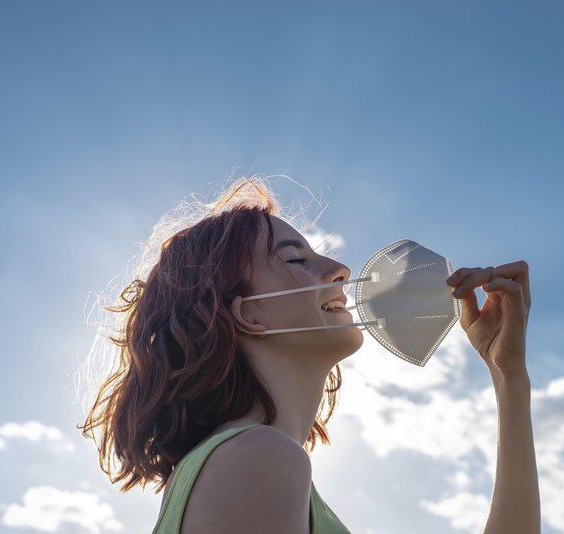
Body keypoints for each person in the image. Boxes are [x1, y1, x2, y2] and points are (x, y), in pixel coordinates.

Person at [77, 176, 540, 533]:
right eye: (296, 260)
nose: (340, 270)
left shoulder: (244, 461)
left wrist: (508, 375)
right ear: (249, 316)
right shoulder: (256, 457)